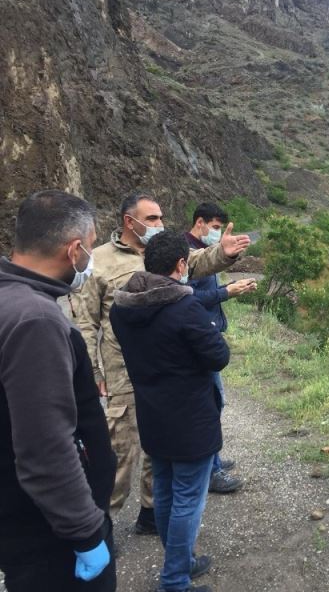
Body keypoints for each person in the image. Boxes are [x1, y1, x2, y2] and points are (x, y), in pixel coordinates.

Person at [72, 193, 249, 535]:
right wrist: (93, 373)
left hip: (162, 371)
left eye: (160, 218)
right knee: (120, 450)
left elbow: (195, 262)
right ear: (129, 221)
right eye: (152, 219)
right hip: (123, 371)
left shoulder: (160, 253)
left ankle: (151, 514)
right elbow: (85, 323)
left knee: (160, 448)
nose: (159, 225)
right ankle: (101, 525)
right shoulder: (100, 262)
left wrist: (222, 253)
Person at [0, 190, 117, 591]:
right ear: (74, 249)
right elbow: (45, 446)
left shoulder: (11, 300)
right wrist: (86, 533)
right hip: (52, 535)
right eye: (91, 244)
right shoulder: (35, 320)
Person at [110, 231, 228, 592]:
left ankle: (182, 563)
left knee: (163, 489)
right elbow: (218, 356)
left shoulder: (122, 307)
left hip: (153, 413)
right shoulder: (184, 307)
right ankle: (175, 578)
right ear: (181, 265)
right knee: (188, 499)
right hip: (191, 419)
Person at [185, 203, 257, 494]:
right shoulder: (186, 254)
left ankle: (213, 460)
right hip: (197, 339)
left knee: (214, 402)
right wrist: (228, 291)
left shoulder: (205, 252)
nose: (217, 234)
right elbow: (189, 298)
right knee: (210, 405)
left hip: (208, 334)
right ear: (199, 223)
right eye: (214, 228)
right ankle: (210, 471)